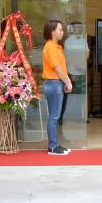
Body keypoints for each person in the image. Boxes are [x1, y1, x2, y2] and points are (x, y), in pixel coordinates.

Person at [42, 20, 73, 155]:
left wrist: (65, 81)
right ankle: (53, 147)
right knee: (54, 117)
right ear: (52, 32)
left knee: (55, 116)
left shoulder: (56, 47)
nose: (62, 32)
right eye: (60, 29)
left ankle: (55, 145)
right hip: (54, 84)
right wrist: (68, 82)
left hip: (56, 83)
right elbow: (58, 69)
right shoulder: (50, 47)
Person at [61, 21, 89, 125]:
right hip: (72, 72)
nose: (79, 29)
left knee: (80, 97)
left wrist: (82, 65)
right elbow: (70, 57)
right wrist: (79, 66)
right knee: (69, 97)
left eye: (80, 27)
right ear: (73, 29)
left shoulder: (83, 40)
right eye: (77, 27)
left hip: (82, 72)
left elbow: (87, 54)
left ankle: (77, 117)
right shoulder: (68, 41)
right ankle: (63, 117)